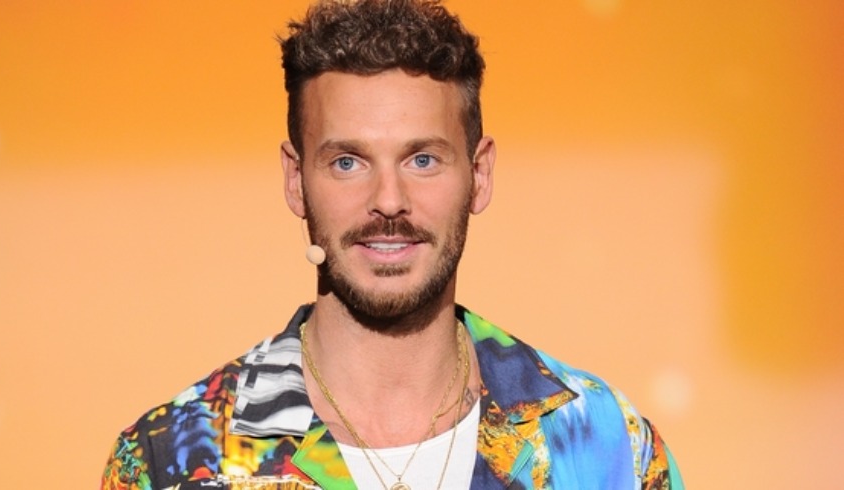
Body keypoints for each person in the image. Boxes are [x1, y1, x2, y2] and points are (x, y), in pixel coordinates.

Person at [101, 0, 684, 488]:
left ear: (479, 175)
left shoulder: (610, 446)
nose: (388, 200)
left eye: (422, 159)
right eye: (348, 162)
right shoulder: (170, 462)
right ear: (295, 180)